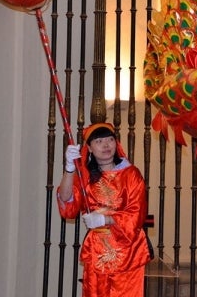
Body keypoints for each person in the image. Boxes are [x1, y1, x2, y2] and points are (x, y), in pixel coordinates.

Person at [57, 122, 151, 297]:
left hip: (128, 252)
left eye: (110, 139)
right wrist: (69, 168)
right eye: (99, 141)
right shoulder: (84, 175)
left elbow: (137, 214)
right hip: (97, 251)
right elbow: (66, 201)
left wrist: (106, 219)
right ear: (90, 148)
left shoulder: (131, 174)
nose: (106, 145)